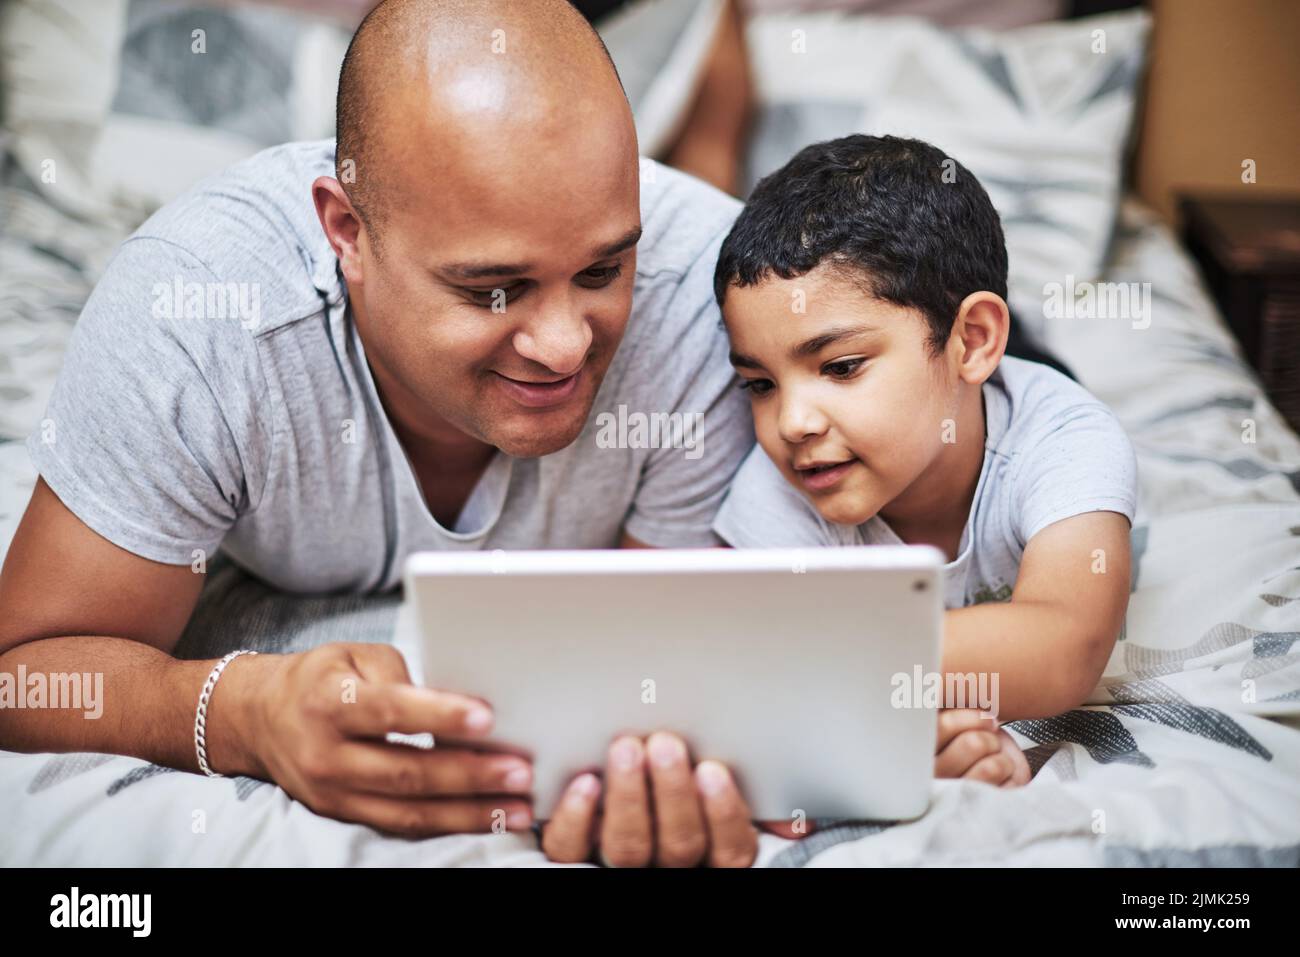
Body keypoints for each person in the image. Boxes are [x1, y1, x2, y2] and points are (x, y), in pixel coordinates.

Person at [0, 0, 766, 868]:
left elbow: (663, 656)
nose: (564, 346)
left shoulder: (707, 296)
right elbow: (23, 672)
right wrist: (241, 710)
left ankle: (711, 110)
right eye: (493, 289)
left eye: (602, 270)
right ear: (346, 230)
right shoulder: (196, 316)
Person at [711, 134, 1138, 784]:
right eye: (760, 384)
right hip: (957, 386)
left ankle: (1011, 342)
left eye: (842, 366)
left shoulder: (1066, 436)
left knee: (1028, 376)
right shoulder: (778, 489)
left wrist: (831, 677)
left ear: (971, 340)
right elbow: (745, 683)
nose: (792, 424)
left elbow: (1064, 645)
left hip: (1002, 394)